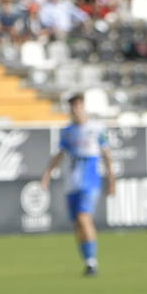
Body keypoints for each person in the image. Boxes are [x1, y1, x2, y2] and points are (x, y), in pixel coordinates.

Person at [41, 93, 115, 276]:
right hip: (71, 183)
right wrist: (47, 174)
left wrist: (112, 180)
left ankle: (93, 262)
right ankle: (88, 261)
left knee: (84, 218)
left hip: (90, 182)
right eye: (72, 107)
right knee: (77, 224)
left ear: (84, 107)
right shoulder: (68, 131)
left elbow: (107, 156)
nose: (75, 110)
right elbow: (59, 154)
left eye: (78, 106)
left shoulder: (96, 129)